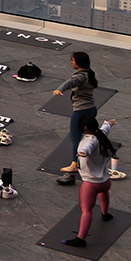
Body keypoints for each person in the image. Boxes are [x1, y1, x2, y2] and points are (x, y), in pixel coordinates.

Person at [62, 115, 118, 247]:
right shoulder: (100, 134)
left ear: (85, 127)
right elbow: (105, 129)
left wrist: (82, 152)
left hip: (90, 183)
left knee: (86, 210)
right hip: (104, 181)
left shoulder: (89, 140)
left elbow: (87, 147)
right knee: (104, 194)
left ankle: (81, 238)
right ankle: (105, 214)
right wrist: (108, 123)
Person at [53, 52, 99, 183]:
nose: (71, 63)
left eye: (72, 61)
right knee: (88, 135)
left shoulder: (80, 76)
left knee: (75, 138)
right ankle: (88, 158)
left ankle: (74, 164)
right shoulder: (90, 73)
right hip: (91, 108)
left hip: (81, 110)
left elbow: (70, 82)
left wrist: (59, 89)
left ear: (78, 63)